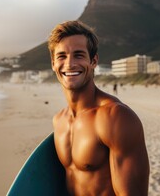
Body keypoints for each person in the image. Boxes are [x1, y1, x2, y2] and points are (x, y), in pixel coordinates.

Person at [48, 20, 149, 195]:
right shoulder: (59, 121)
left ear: (93, 61)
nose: (70, 63)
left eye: (79, 55)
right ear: (53, 64)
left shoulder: (115, 117)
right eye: (61, 56)